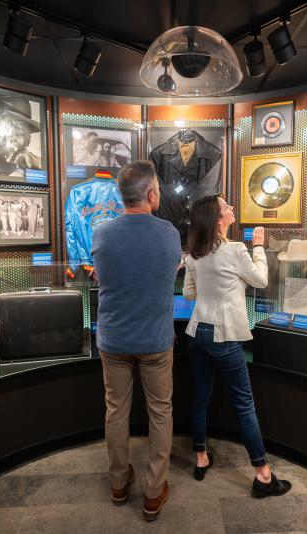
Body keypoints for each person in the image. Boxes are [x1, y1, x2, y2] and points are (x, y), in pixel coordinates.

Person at [183, 194, 292, 499]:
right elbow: (259, 279)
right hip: (225, 336)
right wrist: (258, 246)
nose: (232, 209)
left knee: (200, 398)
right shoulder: (235, 249)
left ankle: (201, 457)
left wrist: (211, 285)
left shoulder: (194, 253)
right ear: (217, 219)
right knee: (244, 404)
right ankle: (263, 474)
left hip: (197, 333)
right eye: (226, 207)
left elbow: (189, 295)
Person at [91, 160, 182, 522]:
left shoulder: (101, 233)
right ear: (151, 193)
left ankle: (118, 484)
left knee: (116, 411)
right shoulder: (170, 233)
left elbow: (105, 277)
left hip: (113, 340)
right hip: (156, 340)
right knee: (161, 412)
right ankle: (153, 491)